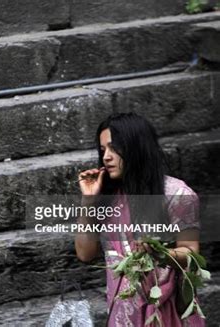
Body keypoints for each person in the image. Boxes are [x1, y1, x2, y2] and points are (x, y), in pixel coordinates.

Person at [75, 113, 205, 326]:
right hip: (122, 314)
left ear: (136, 147)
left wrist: (161, 253)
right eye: (102, 151)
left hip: (167, 312)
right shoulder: (108, 198)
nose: (106, 156)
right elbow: (85, 253)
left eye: (113, 148)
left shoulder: (176, 193)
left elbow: (191, 252)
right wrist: (88, 201)